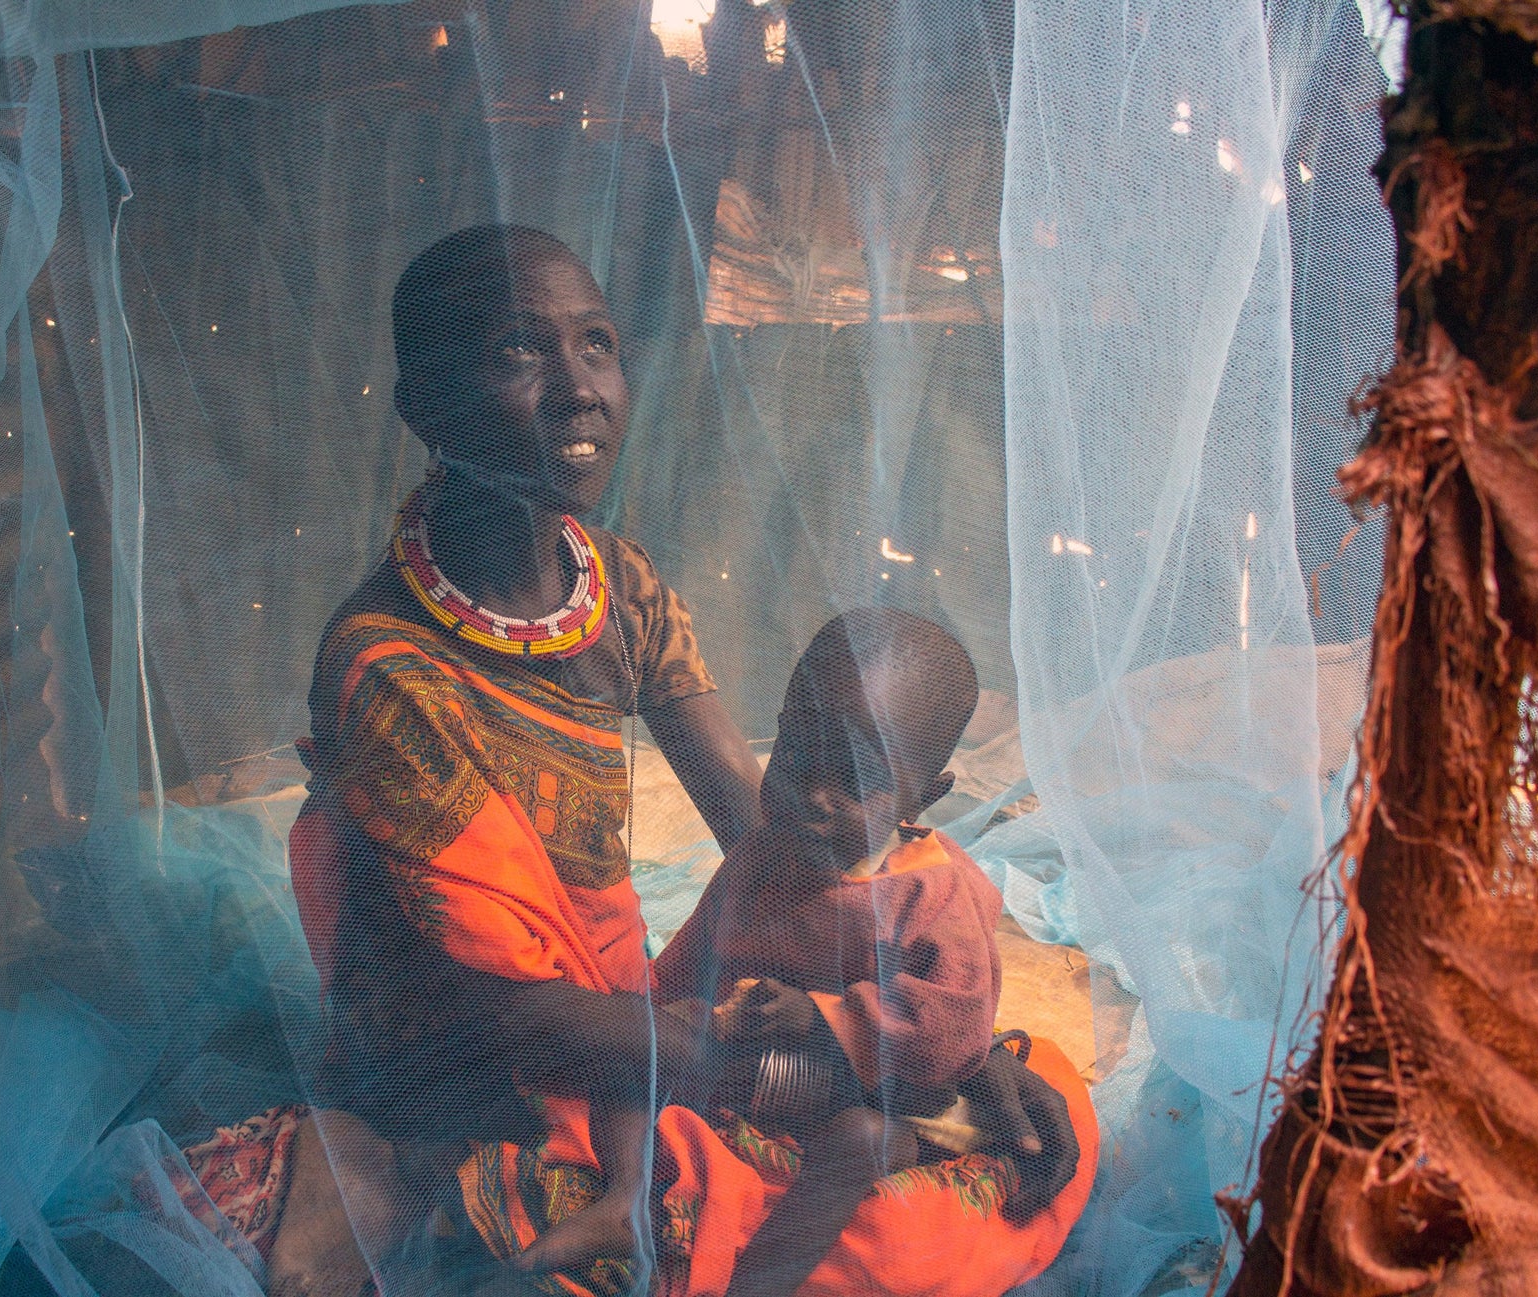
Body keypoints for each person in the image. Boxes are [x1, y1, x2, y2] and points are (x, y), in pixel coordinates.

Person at [194, 224, 1085, 1297]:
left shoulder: (611, 584)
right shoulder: (386, 670)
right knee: (820, 1217)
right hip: (477, 1069)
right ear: (424, 405)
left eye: (598, 345)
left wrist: (941, 1040)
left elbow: (773, 842)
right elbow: (514, 1016)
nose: (580, 389)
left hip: (634, 1033)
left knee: (1026, 1126)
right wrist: (837, 1060)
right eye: (521, 350)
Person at [654, 609, 1093, 1297]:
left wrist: (823, 1016)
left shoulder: (934, 893)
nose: (813, 798)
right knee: (642, 1062)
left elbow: (953, 1031)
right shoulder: (762, 853)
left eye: (856, 781)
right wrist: (659, 1011)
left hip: (898, 1094)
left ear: (925, 797)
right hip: (770, 1072)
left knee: (858, 1141)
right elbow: (692, 955)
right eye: (795, 756)